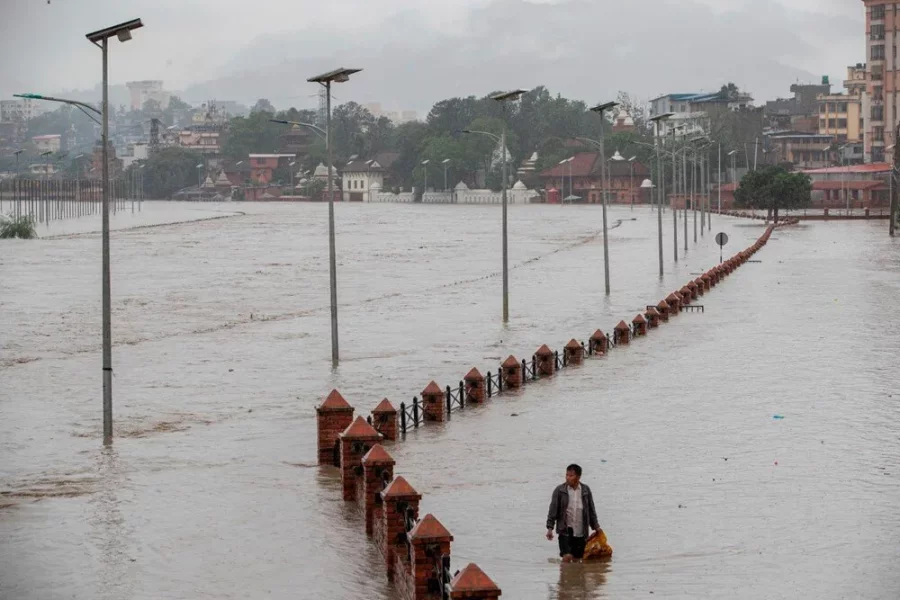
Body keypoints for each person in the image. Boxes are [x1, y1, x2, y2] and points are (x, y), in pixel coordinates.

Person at [545, 463, 600, 562]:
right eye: (567, 475)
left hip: (581, 532)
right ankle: (563, 576)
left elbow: (591, 511)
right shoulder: (560, 490)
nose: (567, 478)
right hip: (565, 530)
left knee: (577, 560)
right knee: (566, 557)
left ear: (578, 477)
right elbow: (552, 511)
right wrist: (550, 528)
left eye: (571, 476)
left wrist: (596, 527)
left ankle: (573, 576)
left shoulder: (585, 490)